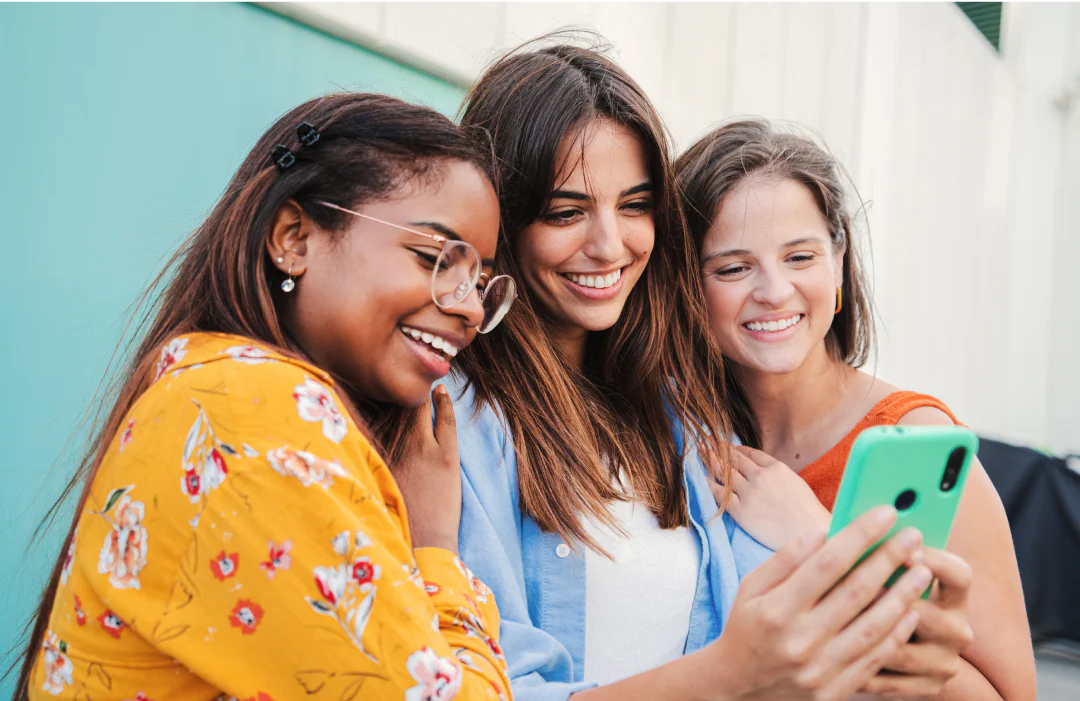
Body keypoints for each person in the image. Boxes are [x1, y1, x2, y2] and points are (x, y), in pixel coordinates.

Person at [401, 41, 971, 701]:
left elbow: (788, 637)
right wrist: (728, 675)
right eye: (565, 212)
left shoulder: (673, 404)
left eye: (635, 205)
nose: (610, 245)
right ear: (501, 217)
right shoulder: (456, 419)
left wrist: (825, 542)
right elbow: (486, 686)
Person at [14, 92, 517, 701]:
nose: (466, 305)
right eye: (434, 257)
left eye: (481, 283)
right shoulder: (253, 414)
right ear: (294, 237)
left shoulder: (213, 387)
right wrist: (436, 547)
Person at [676, 117, 1037, 699]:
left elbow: (1008, 695)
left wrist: (827, 543)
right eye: (734, 267)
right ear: (687, 286)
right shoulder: (677, 431)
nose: (773, 290)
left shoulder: (916, 442)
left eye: (799, 257)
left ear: (838, 263)